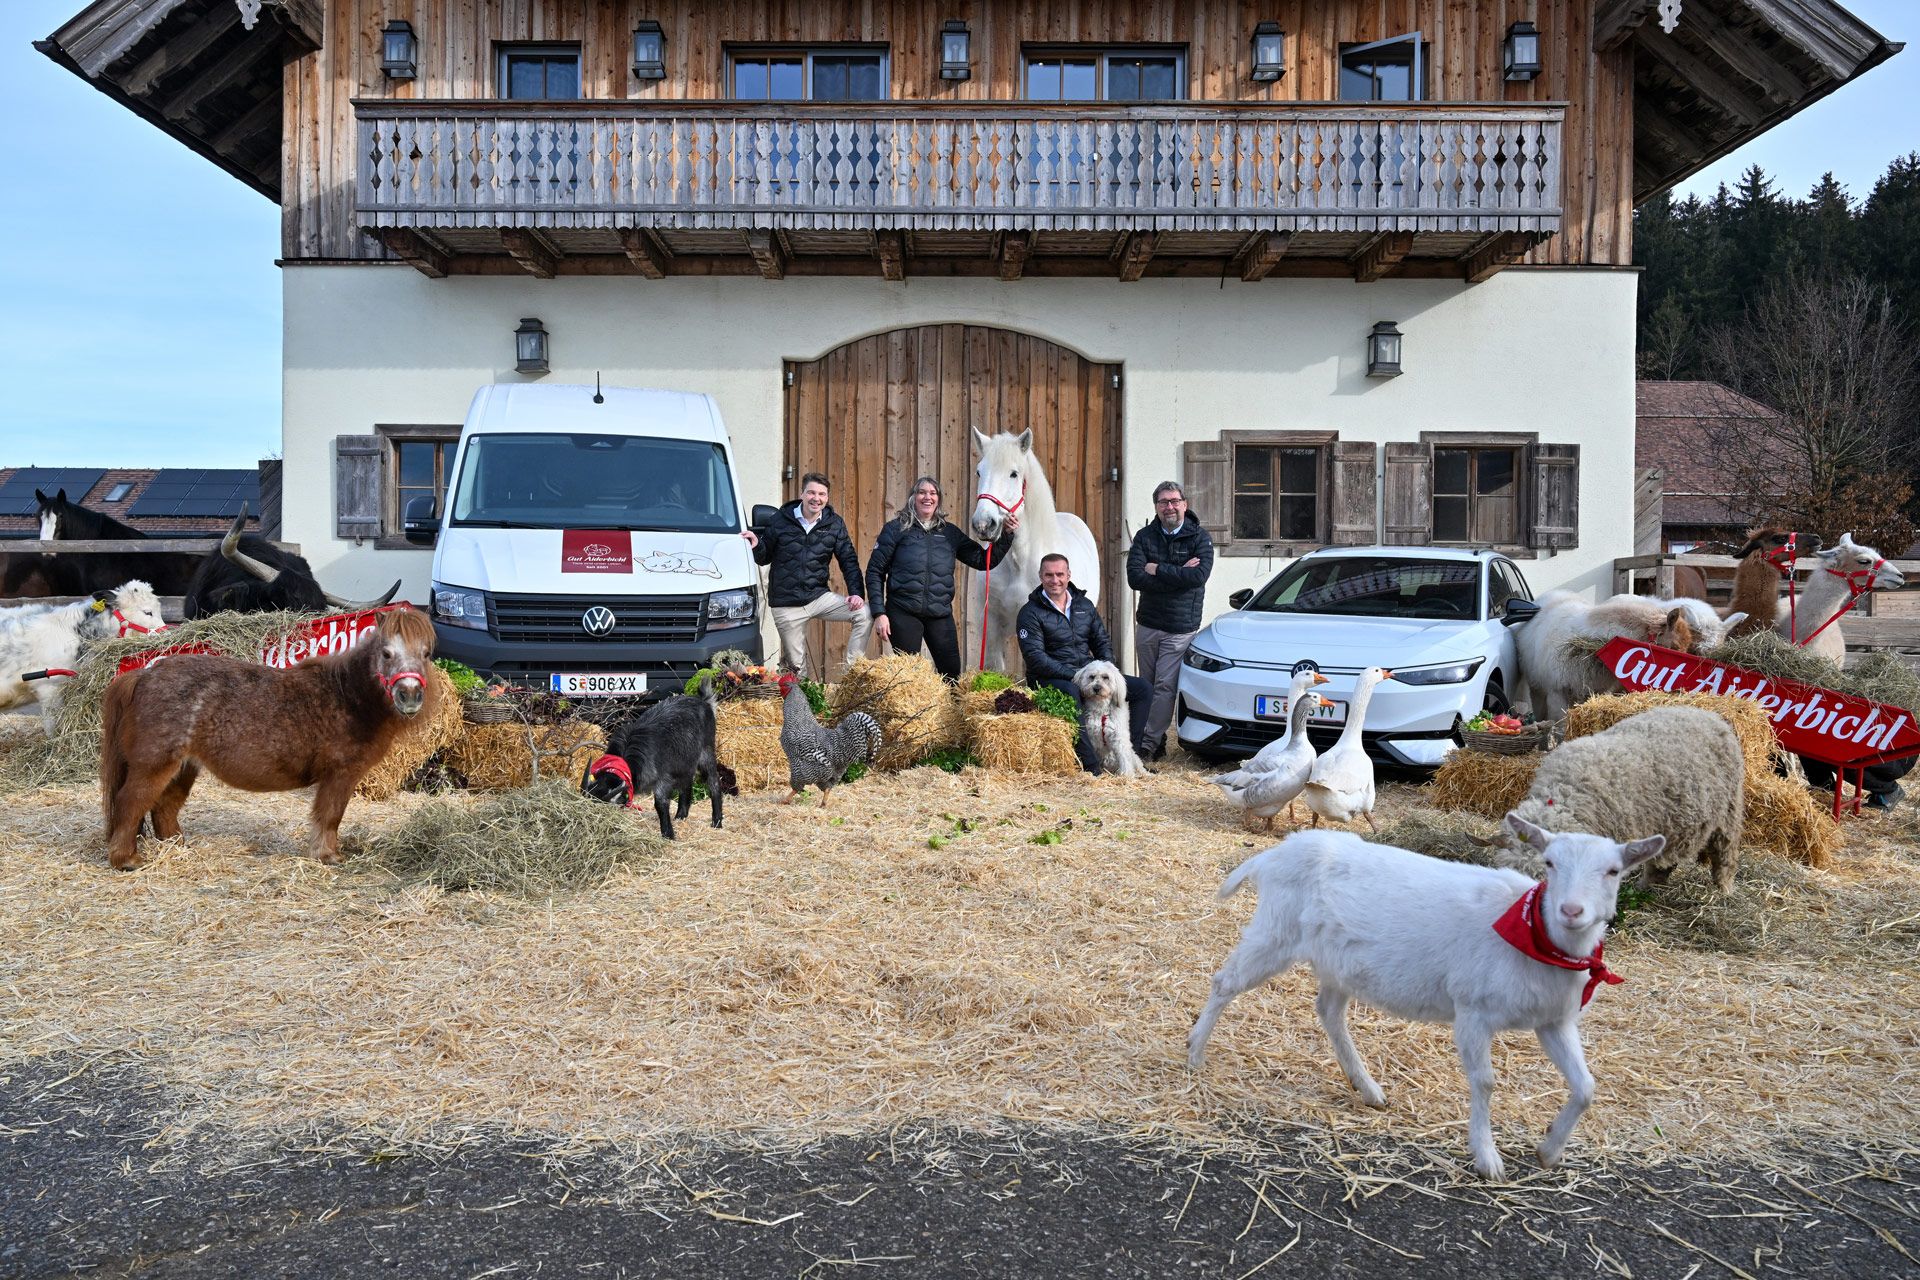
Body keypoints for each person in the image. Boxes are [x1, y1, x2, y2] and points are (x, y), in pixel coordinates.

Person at [866, 476, 1018, 681]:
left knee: (952, 674)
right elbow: (875, 571)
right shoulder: (896, 529)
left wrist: (1006, 535)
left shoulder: (949, 533)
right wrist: (879, 613)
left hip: (939, 614)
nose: (927, 497)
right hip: (903, 612)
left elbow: (983, 561)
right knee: (910, 678)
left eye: (932, 493)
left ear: (938, 499)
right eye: (922, 492)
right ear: (913, 497)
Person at [1016, 553, 1154, 775]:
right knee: (1072, 692)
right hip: (1052, 677)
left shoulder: (1084, 605)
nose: (1055, 580)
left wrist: (1108, 671)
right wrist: (1075, 675)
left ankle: (1128, 758)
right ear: (1040, 576)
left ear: (1068, 575)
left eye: (1060, 574)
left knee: (1142, 689)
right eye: (1049, 575)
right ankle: (1091, 767)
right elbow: (1035, 658)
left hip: (1090, 675)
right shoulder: (1030, 613)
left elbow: (1101, 642)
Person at [742, 472, 871, 680]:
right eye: (811, 492)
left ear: (827, 498)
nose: (816, 498)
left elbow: (848, 560)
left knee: (864, 613)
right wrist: (756, 545)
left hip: (818, 597)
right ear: (802, 494)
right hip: (786, 604)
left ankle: (851, 679)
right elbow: (764, 557)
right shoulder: (781, 520)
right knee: (797, 671)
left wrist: (856, 593)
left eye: (821, 494)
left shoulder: (834, 524)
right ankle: (803, 707)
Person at [1126, 480, 1215, 761]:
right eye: (1164, 502)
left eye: (1174, 501)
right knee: (1146, 686)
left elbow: (1197, 578)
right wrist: (1177, 574)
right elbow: (1135, 578)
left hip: (1180, 628)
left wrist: (1158, 570)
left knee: (1165, 687)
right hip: (1149, 624)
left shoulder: (1199, 538)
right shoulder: (1144, 537)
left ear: (1184, 505)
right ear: (1157, 507)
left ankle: (1146, 746)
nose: (1170, 507)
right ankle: (1156, 738)